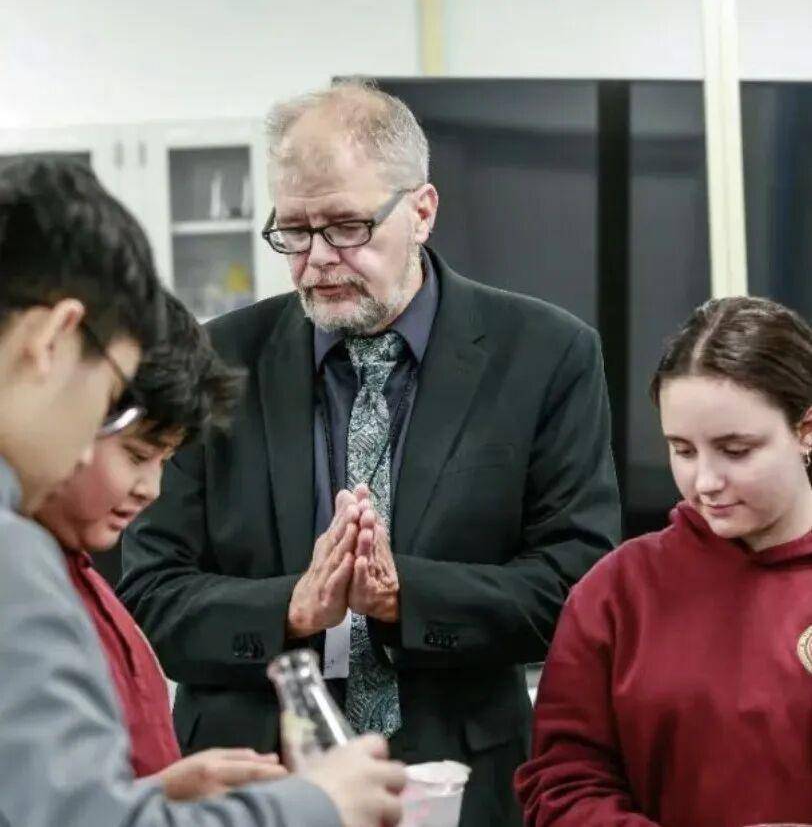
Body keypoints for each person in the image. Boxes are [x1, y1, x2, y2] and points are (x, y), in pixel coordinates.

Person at [119, 79, 621, 826]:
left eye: (348, 228)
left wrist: (402, 599)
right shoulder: (213, 361)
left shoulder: (546, 355)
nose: (318, 259)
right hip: (256, 783)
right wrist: (291, 608)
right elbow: (148, 595)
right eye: (294, 232)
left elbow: (573, 584)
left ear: (422, 211)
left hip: (460, 779)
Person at [0, 157, 405, 827]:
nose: (87, 443)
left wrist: (150, 796)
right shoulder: (14, 555)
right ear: (52, 341)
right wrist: (319, 803)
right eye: (108, 396)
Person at [514, 295, 812, 826]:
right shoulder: (616, 594)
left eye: (736, 450)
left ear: (806, 431)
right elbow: (562, 785)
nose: (706, 481)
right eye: (683, 450)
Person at [34, 291, 293, 795]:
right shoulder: (26, 586)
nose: (151, 489)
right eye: (136, 455)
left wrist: (169, 791)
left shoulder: (80, 577)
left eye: (164, 462)